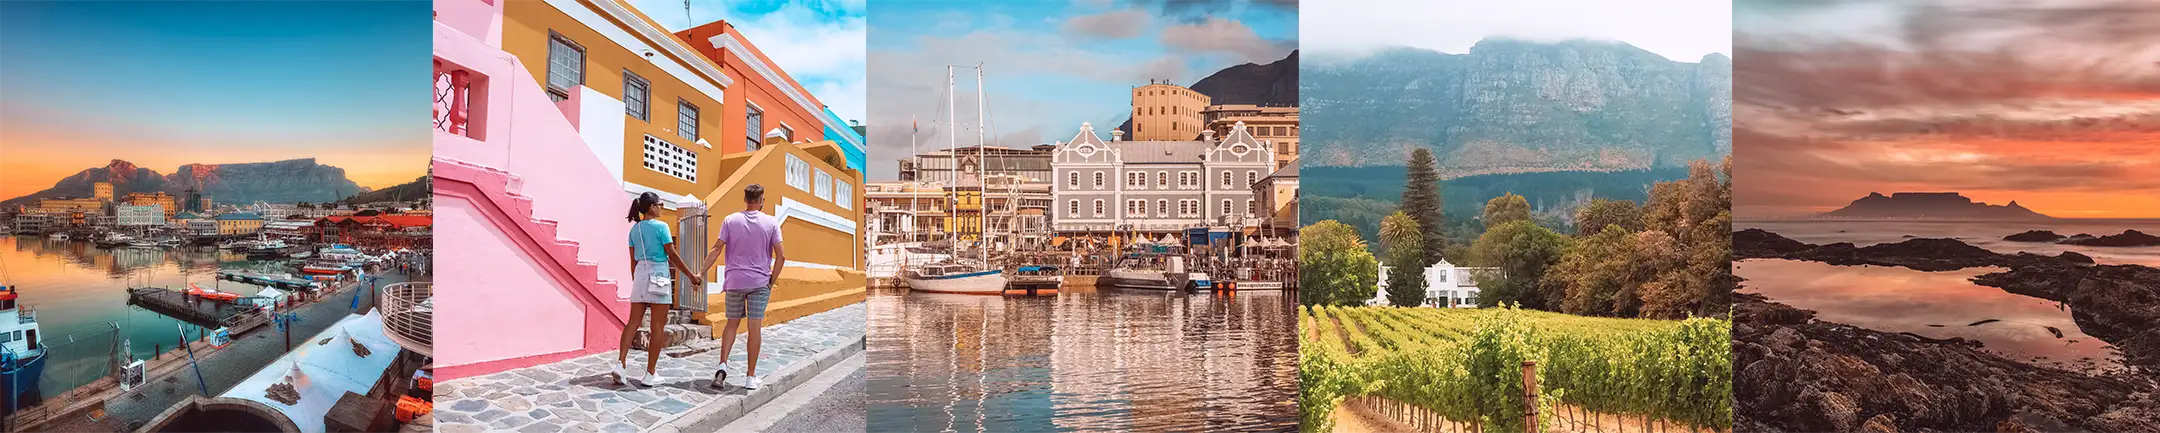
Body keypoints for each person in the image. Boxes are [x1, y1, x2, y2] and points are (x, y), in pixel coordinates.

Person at [613, 192, 702, 387]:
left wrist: (636, 280)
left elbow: (632, 260)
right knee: (657, 327)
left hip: (640, 275)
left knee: (632, 323)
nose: (661, 207)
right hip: (659, 276)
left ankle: (621, 363)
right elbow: (672, 255)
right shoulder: (661, 227)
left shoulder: (634, 230)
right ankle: (650, 373)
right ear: (652, 207)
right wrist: (691, 276)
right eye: (660, 204)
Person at [702, 184, 786, 390]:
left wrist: (701, 272)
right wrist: (771, 281)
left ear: (745, 199)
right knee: (754, 327)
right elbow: (781, 256)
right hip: (759, 282)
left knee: (731, 324)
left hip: (734, 280)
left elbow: (717, 248)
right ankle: (750, 376)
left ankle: (722, 366)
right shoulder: (771, 223)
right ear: (762, 200)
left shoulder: (730, 220)